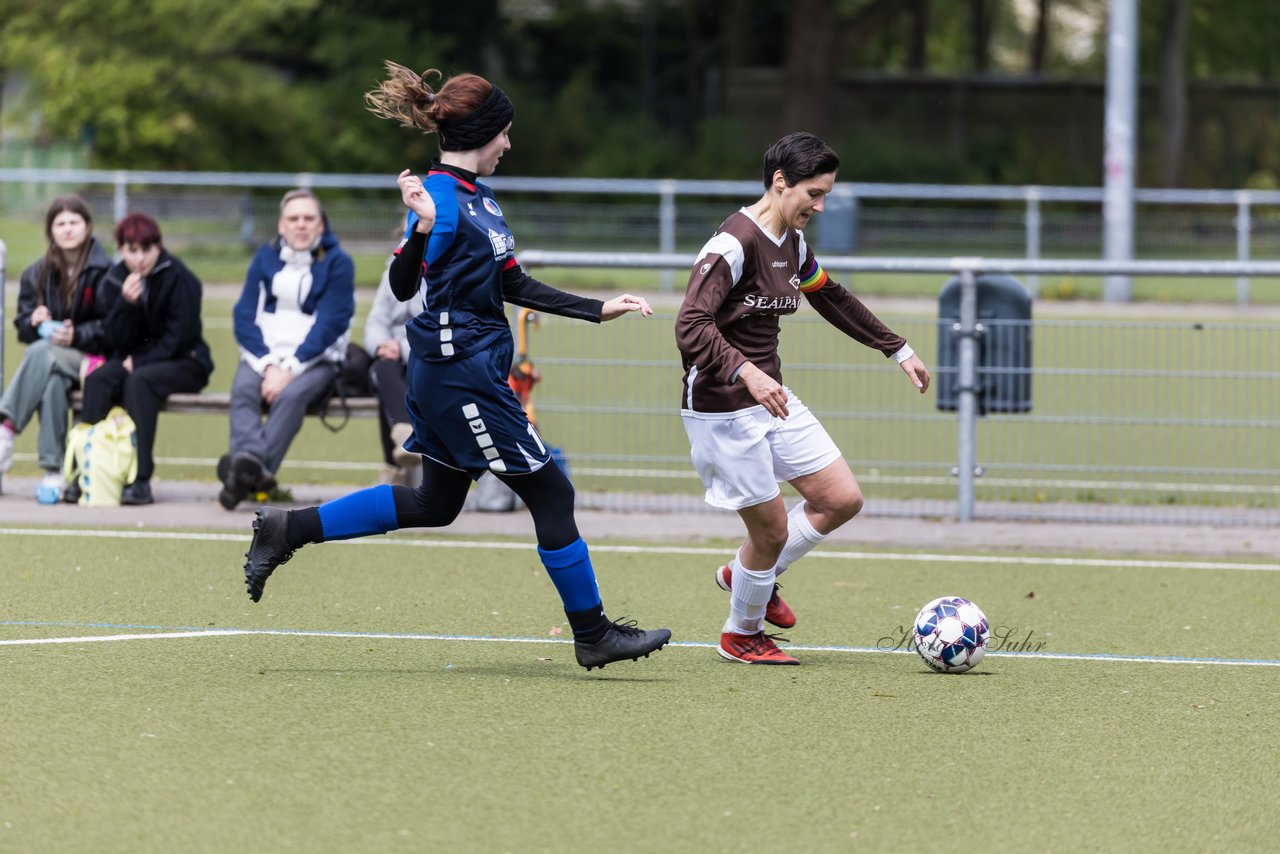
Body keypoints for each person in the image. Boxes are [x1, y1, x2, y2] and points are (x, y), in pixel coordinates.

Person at [241, 62, 671, 671]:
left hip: (460, 370)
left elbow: (512, 282)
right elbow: (399, 280)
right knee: (551, 489)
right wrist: (417, 228)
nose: (509, 144)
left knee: (436, 503)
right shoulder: (440, 200)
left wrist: (600, 308)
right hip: (459, 372)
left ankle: (288, 530)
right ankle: (593, 633)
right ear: (484, 133)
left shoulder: (479, 201)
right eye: (505, 133)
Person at [675, 132, 931, 666]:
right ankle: (740, 634)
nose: (819, 205)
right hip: (722, 407)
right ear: (779, 182)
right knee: (768, 531)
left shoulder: (792, 243)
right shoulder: (732, 244)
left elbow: (829, 296)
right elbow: (690, 325)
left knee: (840, 499)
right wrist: (746, 372)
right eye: (813, 194)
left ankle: (746, 573)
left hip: (771, 397)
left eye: (825, 195)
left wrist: (896, 348)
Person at [219, 188, 356, 510]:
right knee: (242, 390)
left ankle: (242, 471)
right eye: (293, 219)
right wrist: (269, 366)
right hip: (264, 358)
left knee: (293, 396)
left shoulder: (339, 263)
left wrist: (290, 368)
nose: (301, 225)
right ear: (281, 226)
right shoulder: (264, 258)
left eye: (309, 218)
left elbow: (331, 325)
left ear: (321, 225)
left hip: (317, 360)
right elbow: (244, 316)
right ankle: (255, 469)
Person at [73, 213, 214, 505]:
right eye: (131, 250)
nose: (139, 259)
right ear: (121, 249)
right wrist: (127, 305)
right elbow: (112, 338)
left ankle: (140, 480)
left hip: (186, 362)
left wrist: (141, 360)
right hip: (135, 360)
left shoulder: (179, 277)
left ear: (158, 247)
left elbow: (181, 337)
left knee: (139, 382)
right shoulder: (115, 279)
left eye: (146, 250)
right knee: (98, 380)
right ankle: (84, 470)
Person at [0, 196, 116, 502]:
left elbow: (115, 328)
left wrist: (76, 334)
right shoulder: (35, 273)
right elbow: (23, 328)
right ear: (50, 230)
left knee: (40, 353)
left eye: (74, 222)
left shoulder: (106, 271)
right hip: (56, 363)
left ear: (87, 227)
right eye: (60, 223)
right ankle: (54, 472)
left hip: (95, 360)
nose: (67, 230)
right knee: (50, 381)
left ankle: (6, 429)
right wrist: (34, 321)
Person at [364, 249, 424, 486]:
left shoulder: (449, 268)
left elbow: (442, 324)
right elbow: (376, 319)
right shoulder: (394, 266)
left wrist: (403, 348)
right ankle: (404, 435)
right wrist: (381, 345)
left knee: (398, 381)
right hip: (390, 356)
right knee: (384, 369)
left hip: (427, 354)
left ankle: (393, 474)